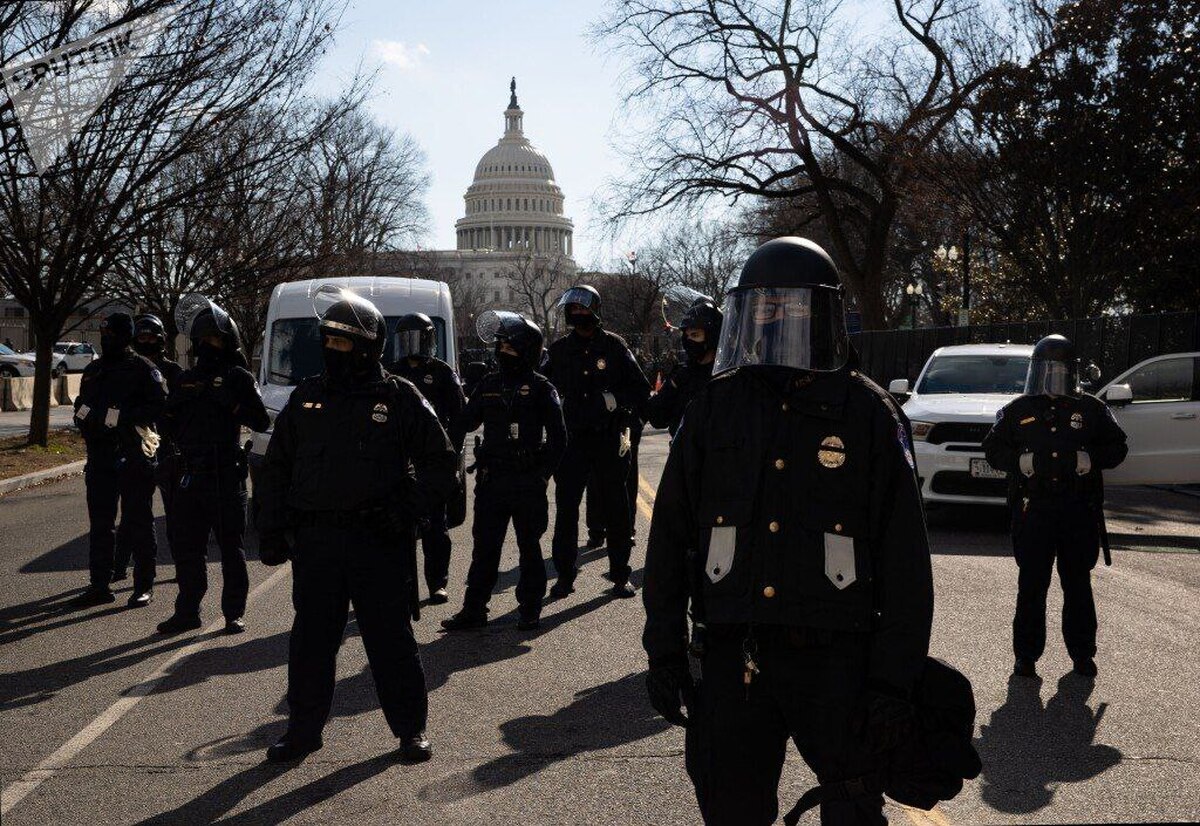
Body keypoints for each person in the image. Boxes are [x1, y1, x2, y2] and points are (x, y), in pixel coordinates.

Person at [642, 237, 934, 826]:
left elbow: (905, 560)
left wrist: (892, 682)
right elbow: (670, 538)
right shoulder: (713, 410)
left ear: (823, 316)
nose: (776, 322)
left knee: (853, 808)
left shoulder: (868, 415)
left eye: (792, 308)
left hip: (837, 661)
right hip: (735, 655)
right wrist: (664, 651)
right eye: (764, 308)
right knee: (730, 807)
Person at [255, 289, 458, 764]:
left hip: (377, 542)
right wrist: (271, 528)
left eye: (342, 342)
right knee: (311, 643)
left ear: (367, 348)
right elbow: (276, 467)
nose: (332, 350)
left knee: (390, 642)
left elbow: (441, 462)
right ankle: (303, 731)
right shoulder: (307, 397)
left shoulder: (398, 397)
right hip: (317, 543)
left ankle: (410, 729)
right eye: (327, 340)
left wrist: (407, 508)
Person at [982, 334, 1127, 679]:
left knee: (1077, 584)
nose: (1053, 377)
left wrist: (1090, 459)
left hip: (1077, 508)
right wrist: (1020, 462)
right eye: (1048, 369)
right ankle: (1026, 656)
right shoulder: (1018, 410)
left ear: (1072, 371)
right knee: (1032, 584)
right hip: (1034, 509)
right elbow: (993, 450)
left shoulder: (1091, 409)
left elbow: (1118, 447)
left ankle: (1082, 655)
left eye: (1060, 369)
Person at [441, 311, 566, 631]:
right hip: (492, 481)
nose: (502, 353)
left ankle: (530, 609)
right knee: (484, 548)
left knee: (529, 548)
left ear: (527, 351)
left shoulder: (542, 388)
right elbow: (465, 422)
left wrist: (542, 474)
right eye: (500, 347)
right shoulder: (489, 384)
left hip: (527, 481)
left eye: (510, 348)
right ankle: (474, 609)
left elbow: (559, 438)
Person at [156, 298, 269, 635]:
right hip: (191, 474)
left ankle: (234, 612)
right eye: (202, 339)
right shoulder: (186, 379)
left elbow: (261, 421)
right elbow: (167, 425)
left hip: (225, 475)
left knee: (231, 549)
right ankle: (187, 611)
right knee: (188, 549)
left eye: (214, 339)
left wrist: (232, 406)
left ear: (227, 341)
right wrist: (172, 408)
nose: (207, 345)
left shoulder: (238, 377)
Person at [543, 285, 650, 599]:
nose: (578, 314)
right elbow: (543, 388)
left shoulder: (615, 346)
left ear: (595, 311)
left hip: (608, 439)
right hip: (573, 441)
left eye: (583, 309)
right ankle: (564, 576)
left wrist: (614, 400)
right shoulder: (559, 350)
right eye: (573, 310)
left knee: (617, 508)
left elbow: (640, 388)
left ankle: (620, 575)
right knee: (566, 511)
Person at [71, 312, 166, 608]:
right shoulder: (94, 370)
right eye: (103, 335)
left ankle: (143, 585)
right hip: (100, 456)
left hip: (133, 455)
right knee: (100, 524)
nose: (106, 339)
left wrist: (124, 418)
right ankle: (99, 585)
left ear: (125, 336)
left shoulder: (143, 368)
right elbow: (81, 404)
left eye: (111, 334)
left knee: (138, 521)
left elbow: (159, 405)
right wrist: (85, 419)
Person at [388, 312, 466, 604]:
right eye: (405, 339)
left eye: (416, 339)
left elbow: (459, 417)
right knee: (398, 527)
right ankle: (399, 586)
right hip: (400, 460)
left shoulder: (442, 372)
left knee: (435, 526)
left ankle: (437, 583)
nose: (411, 345)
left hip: (432, 459)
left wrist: (451, 455)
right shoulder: (391, 373)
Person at [111, 314, 183, 584]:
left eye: (151, 337)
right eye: (141, 337)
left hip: (168, 446)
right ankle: (119, 566)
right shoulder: (128, 369)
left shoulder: (173, 371)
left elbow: (181, 407)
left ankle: (181, 566)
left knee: (175, 512)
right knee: (133, 512)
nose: (146, 341)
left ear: (161, 339)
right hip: (137, 447)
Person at [644, 299, 723, 437]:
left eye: (695, 335)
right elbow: (657, 419)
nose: (689, 341)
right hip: (680, 448)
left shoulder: (724, 375)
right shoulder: (681, 373)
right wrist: (672, 386)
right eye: (687, 336)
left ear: (712, 337)